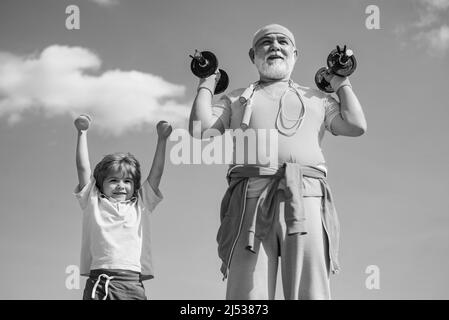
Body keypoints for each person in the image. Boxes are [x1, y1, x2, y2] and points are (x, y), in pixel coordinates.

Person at [189, 24, 367, 300]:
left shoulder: (317, 99)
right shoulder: (237, 97)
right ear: (252, 55)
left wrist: (341, 82)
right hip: (250, 199)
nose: (274, 46)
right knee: (247, 295)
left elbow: (356, 125)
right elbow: (201, 129)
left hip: (305, 195)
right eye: (266, 42)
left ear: (295, 54)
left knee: (311, 291)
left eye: (283, 41)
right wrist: (207, 82)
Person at [73, 114, 172, 300]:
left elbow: (156, 174)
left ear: (134, 186)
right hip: (99, 282)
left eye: (127, 181)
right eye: (113, 180)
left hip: (131, 282)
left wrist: (162, 139)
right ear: (100, 184)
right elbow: (82, 168)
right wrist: (82, 133)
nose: (121, 185)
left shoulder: (141, 203)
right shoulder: (93, 200)